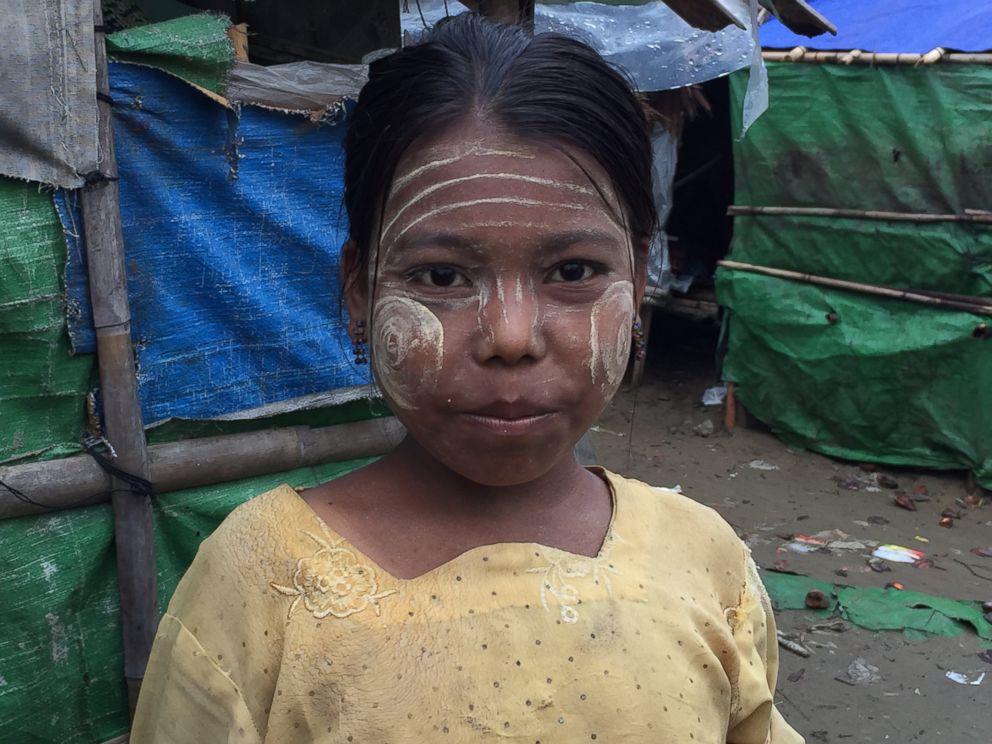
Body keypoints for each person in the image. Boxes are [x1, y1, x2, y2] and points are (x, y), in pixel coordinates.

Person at [131, 13, 803, 744]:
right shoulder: (259, 583)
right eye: (442, 275)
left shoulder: (705, 560)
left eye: (574, 272)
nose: (511, 338)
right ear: (360, 289)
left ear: (638, 279)